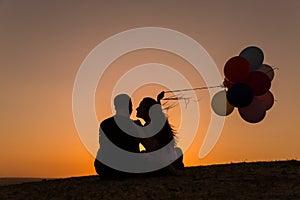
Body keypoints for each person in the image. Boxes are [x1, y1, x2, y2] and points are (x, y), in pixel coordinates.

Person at [136, 92, 185, 176]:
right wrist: (158, 100)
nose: (137, 109)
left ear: (147, 111)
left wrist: (173, 172)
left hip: (160, 165)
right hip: (168, 160)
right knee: (178, 150)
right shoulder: (159, 123)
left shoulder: (148, 127)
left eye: (140, 107)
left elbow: (158, 153)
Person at [94, 94, 141, 178]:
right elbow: (148, 145)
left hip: (105, 169)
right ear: (129, 107)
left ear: (115, 107)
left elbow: (103, 145)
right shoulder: (135, 126)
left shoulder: (105, 123)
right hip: (129, 168)